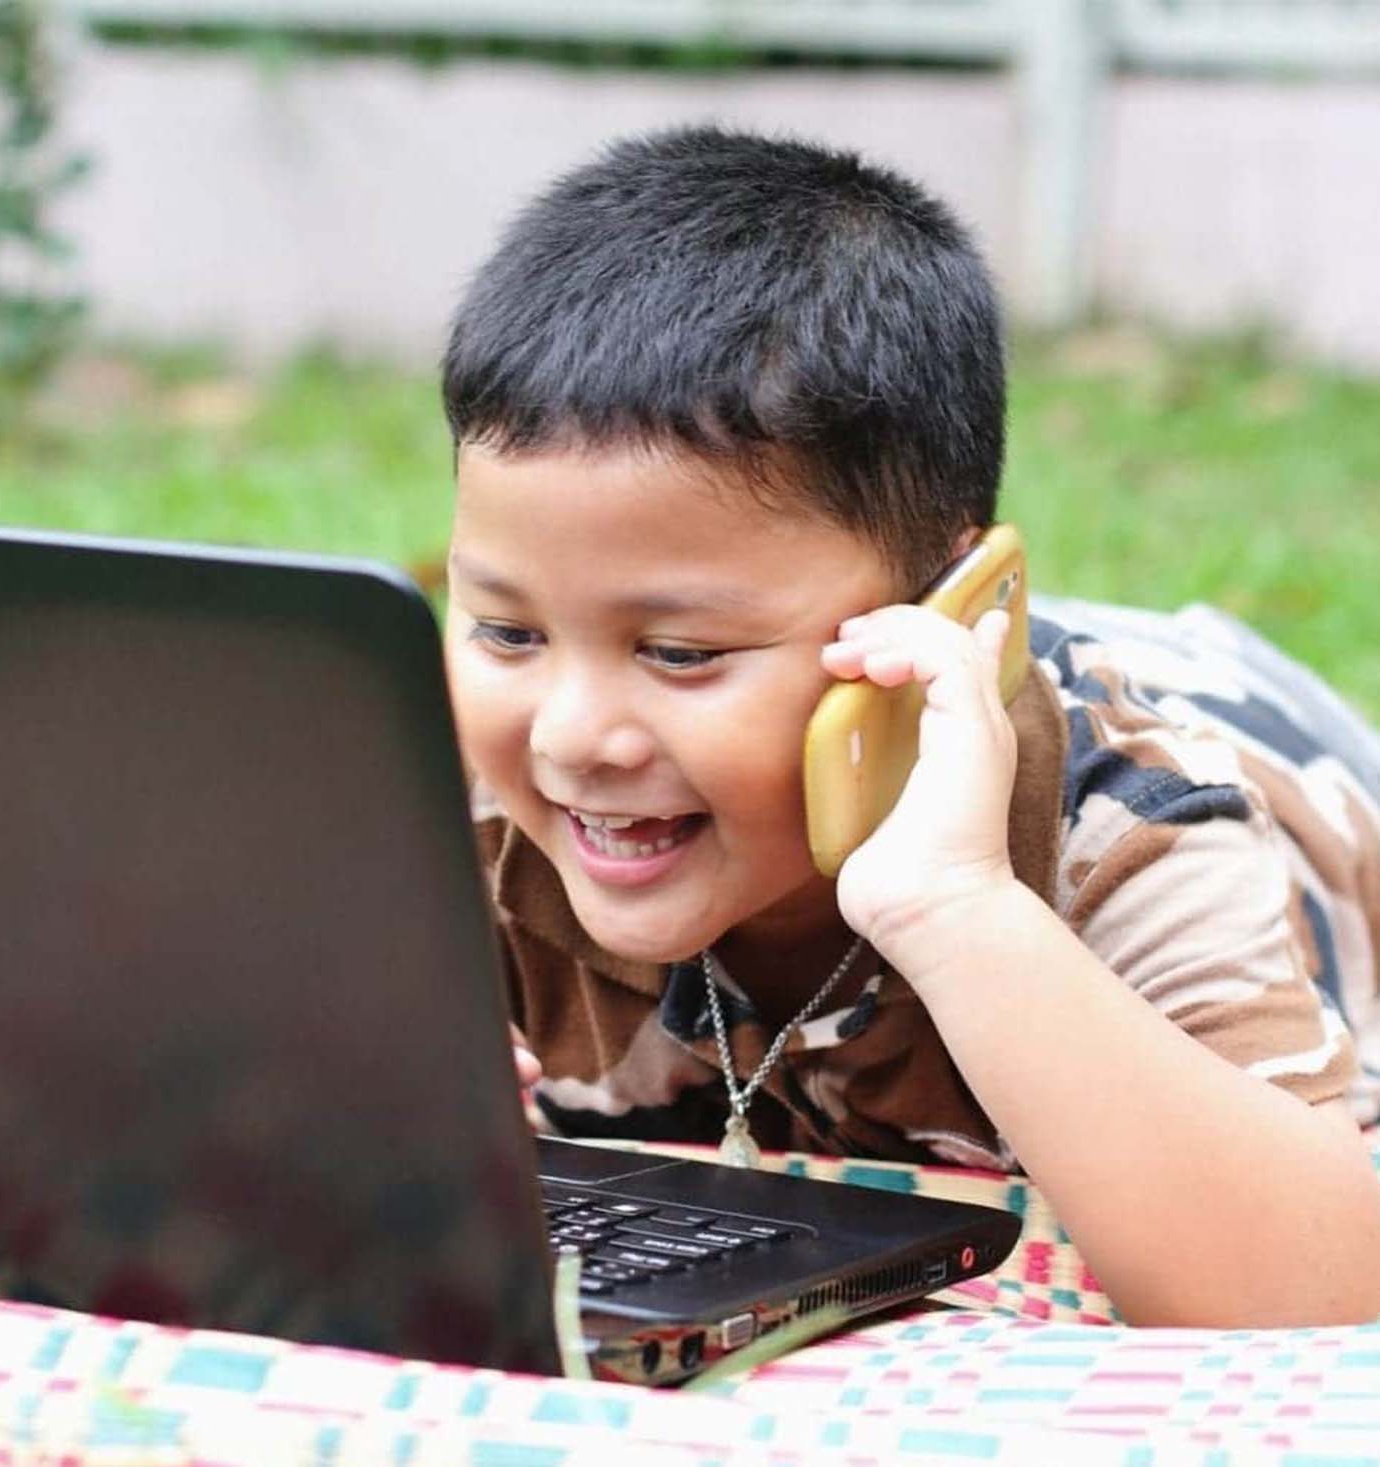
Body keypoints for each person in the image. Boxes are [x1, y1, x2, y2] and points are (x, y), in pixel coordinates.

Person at [438, 125, 1380, 1328]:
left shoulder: (1130, 826)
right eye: (510, 633)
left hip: (1285, 762)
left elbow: (1321, 1306)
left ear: (943, 609)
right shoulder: (458, 821)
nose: (571, 736)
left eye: (680, 653)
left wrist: (957, 912)